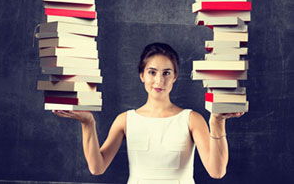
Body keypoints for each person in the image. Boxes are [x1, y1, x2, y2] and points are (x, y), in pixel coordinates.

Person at [53, 43, 244, 184]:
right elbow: (97, 167)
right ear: (142, 75)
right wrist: (88, 124)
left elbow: (217, 171)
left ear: (175, 77)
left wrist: (217, 122)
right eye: (152, 72)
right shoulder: (125, 120)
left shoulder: (192, 119)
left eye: (166, 73)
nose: (159, 81)